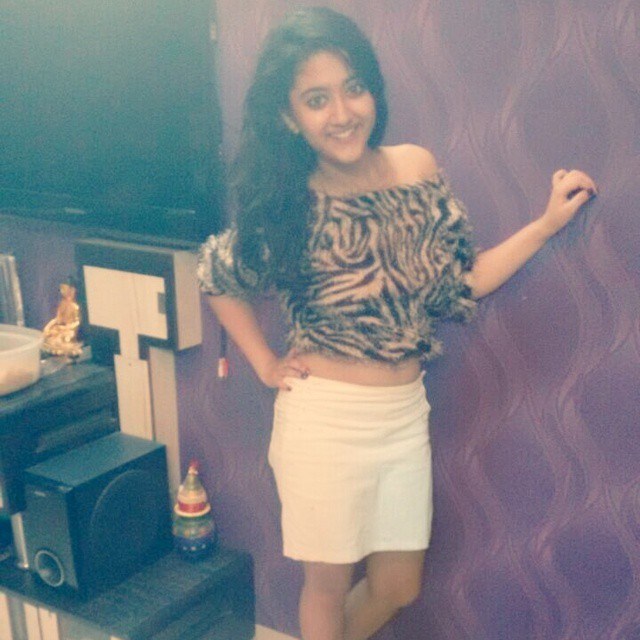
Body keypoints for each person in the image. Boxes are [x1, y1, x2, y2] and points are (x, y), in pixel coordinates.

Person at [197, 7, 597, 640]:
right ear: (290, 117)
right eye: (316, 99)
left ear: (373, 92)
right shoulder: (288, 201)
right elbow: (219, 277)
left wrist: (545, 225)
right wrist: (265, 362)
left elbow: (461, 280)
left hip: (402, 417)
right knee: (327, 587)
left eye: (353, 88)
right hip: (324, 423)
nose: (342, 112)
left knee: (397, 586)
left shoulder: (415, 168)